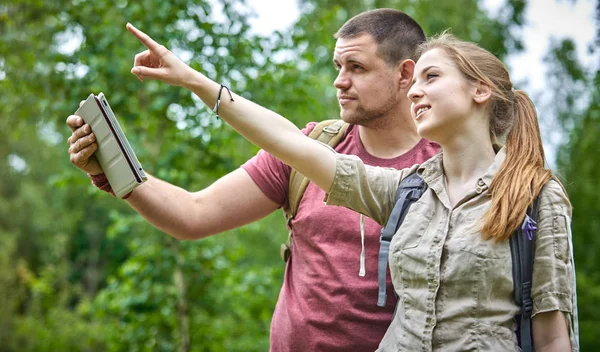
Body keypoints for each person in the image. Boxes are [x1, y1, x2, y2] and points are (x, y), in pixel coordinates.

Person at [101, 25, 577, 351]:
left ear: (480, 92)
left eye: (431, 77)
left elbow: (554, 334)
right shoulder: (406, 192)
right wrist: (195, 82)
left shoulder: (534, 197)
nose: (416, 92)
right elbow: (290, 145)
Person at [66, 9, 440, 351]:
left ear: (405, 74)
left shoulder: (447, 167)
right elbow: (193, 214)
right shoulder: (309, 147)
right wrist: (110, 171)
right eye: (337, 66)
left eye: (356, 67)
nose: (339, 82)